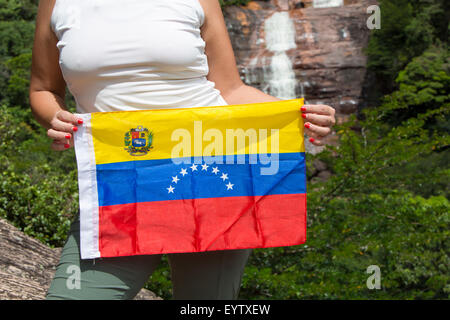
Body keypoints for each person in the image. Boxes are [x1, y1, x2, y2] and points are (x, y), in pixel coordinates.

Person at [29, 0, 336, 300]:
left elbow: (229, 89)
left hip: (211, 181)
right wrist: (56, 117)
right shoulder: (57, 3)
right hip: (118, 186)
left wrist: (302, 115)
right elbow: (43, 88)